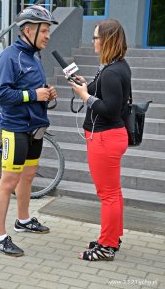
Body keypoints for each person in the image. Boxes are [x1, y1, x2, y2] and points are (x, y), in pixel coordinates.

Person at [0, 5, 58, 257]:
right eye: (44, 30)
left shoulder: (34, 56)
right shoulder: (10, 56)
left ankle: (23, 220)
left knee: (28, 176)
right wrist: (33, 94)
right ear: (28, 30)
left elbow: (33, 91)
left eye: (49, 31)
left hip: (36, 128)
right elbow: (0, 94)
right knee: (8, 182)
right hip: (15, 130)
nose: (47, 36)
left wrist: (46, 93)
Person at [69, 19, 131, 261]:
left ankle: (106, 246)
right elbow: (101, 90)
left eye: (95, 37)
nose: (93, 42)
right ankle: (112, 238)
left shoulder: (113, 71)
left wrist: (85, 96)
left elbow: (111, 109)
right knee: (112, 193)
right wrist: (85, 85)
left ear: (107, 40)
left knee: (108, 195)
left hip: (105, 138)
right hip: (107, 137)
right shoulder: (114, 66)